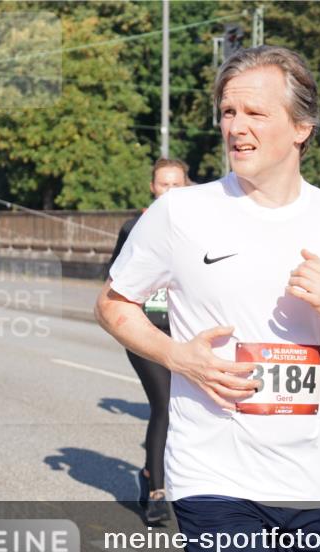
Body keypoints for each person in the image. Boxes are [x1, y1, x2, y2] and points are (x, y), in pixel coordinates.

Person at [96, 46, 320, 552]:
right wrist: (182, 359)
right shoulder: (181, 213)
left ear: (301, 128)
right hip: (214, 474)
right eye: (228, 111)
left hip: (306, 477)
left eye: (254, 112)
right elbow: (113, 304)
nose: (235, 127)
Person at [107, 157, 189, 524]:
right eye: (164, 184)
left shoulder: (201, 229)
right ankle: (157, 491)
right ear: (153, 188)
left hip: (187, 331)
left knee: (193, 412)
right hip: (146, 330)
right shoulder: (133, 227)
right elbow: (114, 287)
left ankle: (154, 474)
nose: (170, 191)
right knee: (166, 404)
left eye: (177, 184)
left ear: (187, 186)